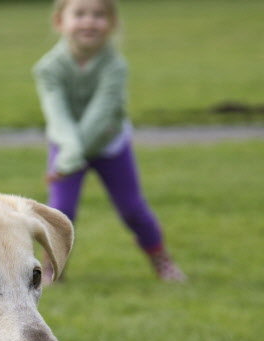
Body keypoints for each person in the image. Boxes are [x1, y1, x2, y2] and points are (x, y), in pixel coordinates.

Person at [33, 0, 186, 282]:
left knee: (133, 210)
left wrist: (68, 160)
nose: (89, 21)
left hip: (109, 145)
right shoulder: (48, 68)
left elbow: (100, 116)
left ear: (112, 23)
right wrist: (68, 154)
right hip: (65, 144)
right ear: (60, 21)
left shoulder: (115, 66)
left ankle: (161, 260)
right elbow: (57, 114)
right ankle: (53, 269)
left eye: (99, 15)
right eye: (79, 14)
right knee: (59, 213)